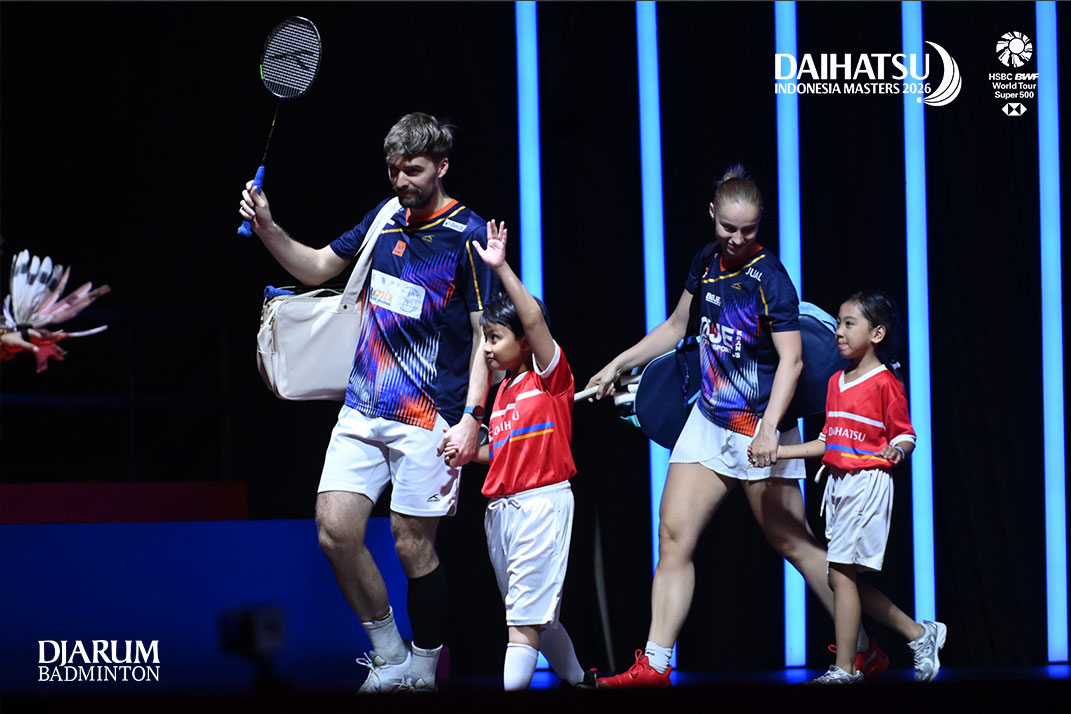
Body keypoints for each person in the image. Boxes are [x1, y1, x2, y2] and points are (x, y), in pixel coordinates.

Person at [587, 166, 885, 687]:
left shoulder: (771, 279)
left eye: (749, 229)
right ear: (712, 215)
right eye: (728, 227)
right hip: (708, 419)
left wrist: (769, 430)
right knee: (673, 537)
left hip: (759, 427)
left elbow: (792, 361)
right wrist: (618, 364)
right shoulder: (705, 261)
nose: (738, 238)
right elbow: (676, 327)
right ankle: (655, 663)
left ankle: (864, 648)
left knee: (794, 543)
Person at [238, 112, 497, 692]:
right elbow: (318, 267)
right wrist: (268, 227)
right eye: (394, 169)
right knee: (334, 530)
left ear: (442, 167)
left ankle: (423, 674)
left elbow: (487, 335)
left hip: (429, 416)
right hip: (363, 405)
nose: (401, 180)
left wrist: (473, 419)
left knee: (411, 544)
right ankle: (388, 656)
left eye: (414, 170)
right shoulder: (384, 218)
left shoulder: (469, 235)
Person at [442, 220, 595, 690]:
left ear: (524, 341)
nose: (487, 349)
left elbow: (534, 320)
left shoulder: (551, 378)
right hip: (501, 512)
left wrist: (501, 268)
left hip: (541, 506)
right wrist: (468, 452)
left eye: (495, 338)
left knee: (523, 623)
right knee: (537, 618)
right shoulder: (503, 392)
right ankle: (582, 683)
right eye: (485, 339)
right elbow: (504, 452)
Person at [775, 291, 946, 683]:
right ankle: (918, 634)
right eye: (839, 322)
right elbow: (827, 442)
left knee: (840, 574)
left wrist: (898, 450)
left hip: (868, 484)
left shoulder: (885, 383)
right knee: (840, 578)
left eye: (849, 323)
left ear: (877, 333)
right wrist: (778, 452)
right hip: (837, 486)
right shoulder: (836, 381)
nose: (839, 331)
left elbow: (906, 435)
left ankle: (846, 667)